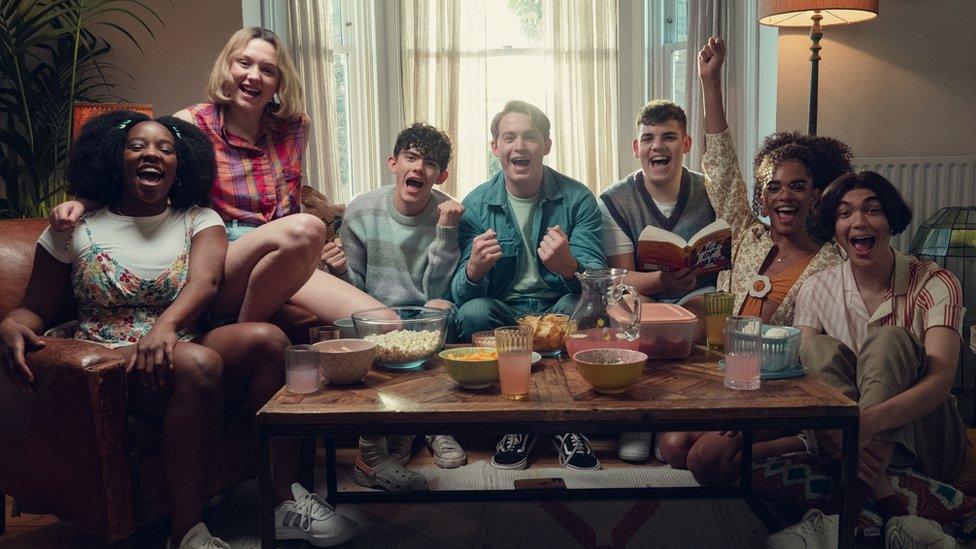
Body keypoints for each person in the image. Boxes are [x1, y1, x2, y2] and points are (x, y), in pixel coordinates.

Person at [0, 111, 356, 549]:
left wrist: (166, 327)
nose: (152, 154)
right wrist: (12, 325)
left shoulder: (198, 219)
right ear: (117, 158)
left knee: (269, 341)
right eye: (138, 146)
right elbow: (34, 307)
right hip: (110, 361)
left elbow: (204, 283)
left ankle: (281, 501)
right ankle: (187, 531)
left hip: (180, 337)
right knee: (200, 362)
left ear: (179, 164)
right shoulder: (75, 229)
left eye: (165, 148)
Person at [49, 27, 384, 326]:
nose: (254, 76)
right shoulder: (192, 123)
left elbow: (295, 198)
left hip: (288, 253)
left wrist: (315, 257)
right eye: (244, 63)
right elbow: (143, 177)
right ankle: (242, 337)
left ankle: (249, 321)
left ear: (280, 83)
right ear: (228, 67)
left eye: (268, 70)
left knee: (384, 323)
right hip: (225, 259)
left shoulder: (297, 125)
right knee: (307, 227)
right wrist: (83, 202)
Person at [655, 37, 852, 484]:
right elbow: (722, 164)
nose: (786, 196)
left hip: (780, 390)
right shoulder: (746, 235)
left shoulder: (831, 264)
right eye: (775, 187)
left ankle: (805, 441)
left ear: (817, 194)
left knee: (705, 461)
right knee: (671, 447)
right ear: (762, 198)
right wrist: (710, 80)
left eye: (799, 186)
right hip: (724, 375)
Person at [767, 171, 967, 547]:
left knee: (888, 340)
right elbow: (808, 374)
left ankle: (837, 518)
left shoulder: (936, 282)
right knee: (813, 348)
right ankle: (892, 509)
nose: (858, 221)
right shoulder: (816, 287)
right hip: (846, 436)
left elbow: (940, 383)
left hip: (929, 439)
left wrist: (862, 423)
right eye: (844, 213)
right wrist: (849, 428)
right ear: (835, 227)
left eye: (872, 210)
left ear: (890, 221)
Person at [452, 100, 606, 471]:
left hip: (558, 308)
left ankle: (566, 426)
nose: (519, 146)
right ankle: (515, 423)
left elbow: (598, 285)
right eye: (509, 137)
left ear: (547, 145)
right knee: (473, 312)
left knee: (578, 308)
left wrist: (570, 268)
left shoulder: (577, 198)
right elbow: (457, 295)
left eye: (529, 137)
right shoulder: (475, 205)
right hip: (502, 316)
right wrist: (473, 271)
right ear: (496, 148)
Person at [319, 123, 467, 490]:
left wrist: (446, 234)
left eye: (430, 163)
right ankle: (401, 427)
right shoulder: (362, 209)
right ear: (394, 163)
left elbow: (438, 286)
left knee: (440, 307)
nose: (418, 168)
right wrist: (339, 270)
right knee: (365, 325)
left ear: (441, 174)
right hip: (374, 313)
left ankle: (432, 424)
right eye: (411, 158)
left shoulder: (445, 212)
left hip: (424, 312)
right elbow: (355, 289)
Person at [599, 99, 718, 463]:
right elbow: (621, 278)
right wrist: (663, 279)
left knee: (703, 310)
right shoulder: (614, 200)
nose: (658, 146)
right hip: (646, 296)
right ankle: (640, 419)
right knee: (628, 309)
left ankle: (681, 416)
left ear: (686, 143)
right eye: (648, 138)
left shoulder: (711, 190)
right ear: (637, 148)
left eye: (669, 137)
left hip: (700, 293)